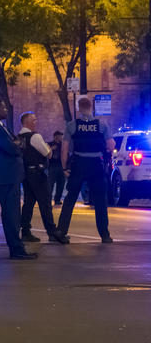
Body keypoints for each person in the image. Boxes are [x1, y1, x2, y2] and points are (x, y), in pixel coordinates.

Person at [56, 97, 115, 243]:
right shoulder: (102, 124)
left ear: (78, 108)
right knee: (100, 200)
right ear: (91, 108)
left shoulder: (72, 125)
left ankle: (61, 231)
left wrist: (64, 167)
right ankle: (105, 235)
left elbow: (64, 149)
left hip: (78, 164)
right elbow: (111, 145)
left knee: (70, 199)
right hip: (96, 164)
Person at [0, 99, 36, 260]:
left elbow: (17, 143)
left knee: (13, 214)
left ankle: (17, 248)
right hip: (5, 177)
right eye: (3, 107)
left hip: (9, 177)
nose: (6, 109)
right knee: (11, 215)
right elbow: (14, 148)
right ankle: (16, 249)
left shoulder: (0, 127)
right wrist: (18, 145)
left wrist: (17, 144)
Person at [17, 112, 68, 245]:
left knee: (28, 203)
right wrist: (48, 148)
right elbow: (48, 153)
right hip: (38, 173)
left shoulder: (18, 137)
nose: (36, 122)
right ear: (27, 122)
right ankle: (52, 232)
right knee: (45, 202)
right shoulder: (35, 136)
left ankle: (26, 231)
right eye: (34, 120)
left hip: (25, 173)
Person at [48, 130, 66, 204]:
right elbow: (45, 153)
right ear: (56, 136)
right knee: (50, 184)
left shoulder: (63, 145)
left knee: (61, 183)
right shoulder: (49, 144)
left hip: (61, 166)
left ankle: (57, 199)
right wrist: (51, 149)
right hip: (52, 166)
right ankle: (48, 200)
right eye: (60, 136)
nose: (62, 137)